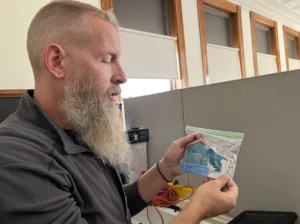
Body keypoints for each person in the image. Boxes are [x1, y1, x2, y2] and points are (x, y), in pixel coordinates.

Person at [0, 1, 238, 223]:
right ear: (56, 61)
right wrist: (198, 209)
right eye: (106, 59)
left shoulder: (79, 128)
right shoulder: (16, 161)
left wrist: (165, 168)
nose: (122, 76)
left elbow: (110, 207)